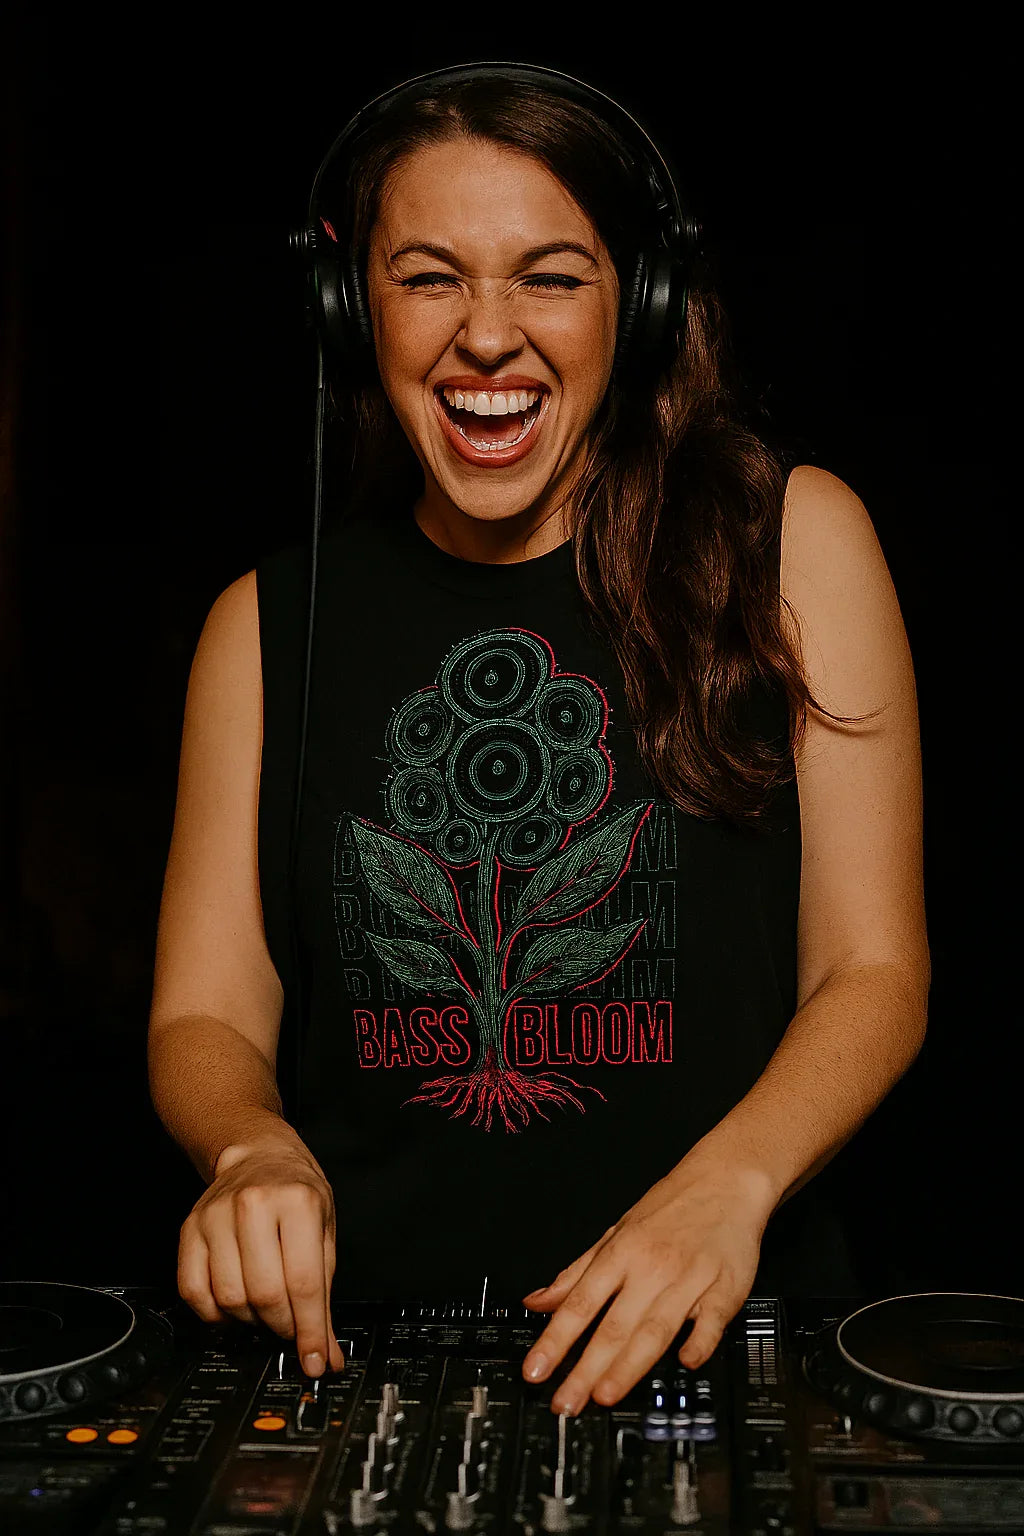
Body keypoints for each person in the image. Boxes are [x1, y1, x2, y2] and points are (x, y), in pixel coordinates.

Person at [147, 63, 929, 1418]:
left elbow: (874, 971)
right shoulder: (259, 627)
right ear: (353, 307)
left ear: (642, 302)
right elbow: (203, 1014)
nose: (488, 337)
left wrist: (727, 1188)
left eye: (551, 278)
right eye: (429, 278)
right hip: (363, 1367)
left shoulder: (796, 544)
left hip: (719, 1344)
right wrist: (247, 1148)